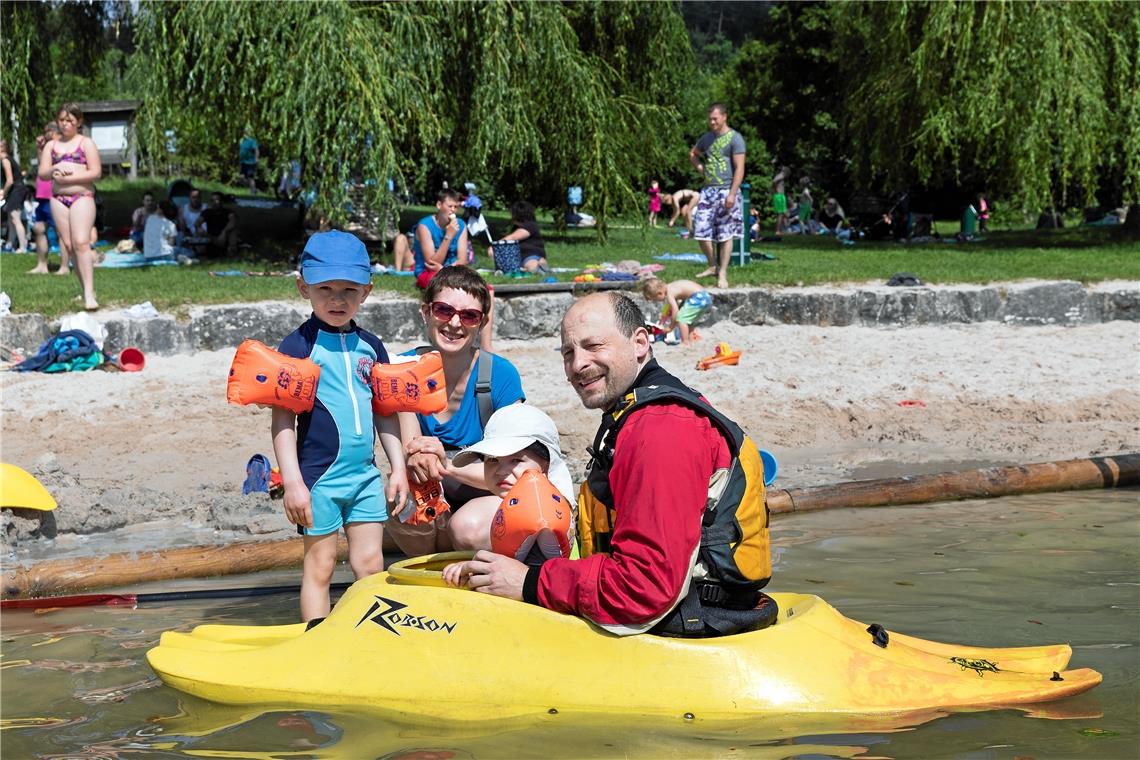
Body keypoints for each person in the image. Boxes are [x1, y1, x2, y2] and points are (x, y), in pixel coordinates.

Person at [448, 292, 775, 638]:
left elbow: (644, 588)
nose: (578, 365)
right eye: (569, 353)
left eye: (594, 346)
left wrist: (530, 582)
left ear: (639, 342)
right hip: (688, 606)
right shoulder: (638, 413)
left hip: (692, 621)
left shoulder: (662, 428)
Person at [272, 230, 409, 623]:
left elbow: (384, 410)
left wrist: (396, 468)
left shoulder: (372, 346)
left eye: (349, 289)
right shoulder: (298, 347)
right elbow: (282, 419)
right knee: (321, 567)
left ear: (367, 291)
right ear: (303, 287)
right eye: (325, 288)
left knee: (370, 565)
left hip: (364, 477)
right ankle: (315, 641)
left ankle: (379, 638)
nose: (337, 299)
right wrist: (294, 483)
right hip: (318, 480)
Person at [386, 265, 524, 557]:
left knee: (466, 528)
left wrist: (444, 464)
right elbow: (412, 450)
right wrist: (421, 455)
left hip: (488, 491)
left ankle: (454, 545)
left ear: (481, 323)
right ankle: (426, 565)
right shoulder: (401, 369)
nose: (455, 323)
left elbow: (517, 467)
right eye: (444, 310)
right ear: (426, 312)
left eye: (469, 315)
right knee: (398, 497)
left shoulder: (500, 375)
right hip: (430, 486)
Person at [441, 403, 576, 586]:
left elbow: (534, 578)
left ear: (546, 463)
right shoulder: (536, 499)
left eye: (516, 460)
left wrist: (476, 568)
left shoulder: (540, 510)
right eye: (492, 460)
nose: (500, 471)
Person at [39, 101, 102, 311]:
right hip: (58, 199)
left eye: (70, 120)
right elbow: (43, 173)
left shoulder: (86, 143)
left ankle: (89, 293)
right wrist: (55, 169)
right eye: (62, 120)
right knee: (68, 245)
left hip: (81, 196)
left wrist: (70, 178)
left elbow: (95, 172)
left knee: (81, 242)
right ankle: (85, 288)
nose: (65, 124)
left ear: (78, 122)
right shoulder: (52, 146)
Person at [690, 103, 746, 289]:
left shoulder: (735, 138)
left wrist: (732, 194)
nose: (712, 122)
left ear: (724, 117)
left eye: (715, 118)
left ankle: (722, 273)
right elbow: (693, 154)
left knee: (725, 234)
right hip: (708, 190)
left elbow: (740, 168)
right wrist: (701, 169)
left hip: (727, 190)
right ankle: (712, 264)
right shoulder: (707, 138)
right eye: (710, 119)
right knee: (700, 229)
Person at [28, 123, 67, 274]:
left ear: (54, 132)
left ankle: (64, 267)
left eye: (47, 131)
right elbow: (42, 166)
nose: (45, 134)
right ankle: (42, 265)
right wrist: (39, 148)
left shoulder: (61, 147)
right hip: (42, 196)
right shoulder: (47, 148)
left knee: (60, 232)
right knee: (39, 229)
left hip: (55, 195)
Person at [412, 188, 469, 290]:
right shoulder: (425, 226)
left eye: (456, 207)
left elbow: (463, 260)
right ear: (439, 205)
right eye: (450, 206)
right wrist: (448, 236)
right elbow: (431, 263)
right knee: (445, 286)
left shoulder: (461, 225)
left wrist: (444, 269)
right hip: (428, 273)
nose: (453, 210)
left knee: (486, 288)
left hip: (452, 272)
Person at [641, 277, 711, 345]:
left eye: (656, 299)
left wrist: (670, 327)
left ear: (659, 293)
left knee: (682, 319)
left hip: (698, 297)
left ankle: (685, 342)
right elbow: (669, 306)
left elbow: (675, 310)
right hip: (704, 296)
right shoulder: (671, 287)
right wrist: (665, 315)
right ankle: (691, 339)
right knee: (688, 321)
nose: (658, 301)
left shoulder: (669, 293)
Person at [490, 201, 548, 273]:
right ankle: (536, 266)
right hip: (520, 257)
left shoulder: (529, 226)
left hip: (531, 255)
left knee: (530, 265)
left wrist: (495, 246)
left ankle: (539, 265)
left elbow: (513, 237)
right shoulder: (517, 227)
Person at [0, 139, 30, 255]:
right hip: (16, 190)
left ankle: (23, 246)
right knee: (10, 218)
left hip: (16, 190)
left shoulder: (5, 161)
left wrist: (3, 192)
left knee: (15, 217)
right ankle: (9, 244)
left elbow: (10, 180)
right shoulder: (6, 159)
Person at [201, 191, 238, 257]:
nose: (214, 202)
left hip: (224, 237)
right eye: (212, 200)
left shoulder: (228, 212)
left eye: (216, 200)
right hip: (212, 238)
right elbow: (197, 224)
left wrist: (224, 232)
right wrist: (201, 231)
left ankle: (231, 251)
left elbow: (233, 222)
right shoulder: (207, 212)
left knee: (233, 230)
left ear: (221, 201)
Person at [771, 166, 791, 235]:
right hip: (779, 196)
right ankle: (777, 231)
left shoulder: (781, 176)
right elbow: (774, 181)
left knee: (784, 213)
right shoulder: (781, 175)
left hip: (781, 196)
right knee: (780, 214)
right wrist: (775, 189)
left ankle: (783, 229)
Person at [238, 128, 259, 192]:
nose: (245, 133)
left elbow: (256, 150)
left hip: (250, 162)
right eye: (244, 132)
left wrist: (256, 158)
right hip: (243, 162)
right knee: (241, 178)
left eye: (247, 132)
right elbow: (241, 150)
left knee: (250, 177)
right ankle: (252, 188)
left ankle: (253, 191)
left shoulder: (252, 141)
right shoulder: (241, 141)